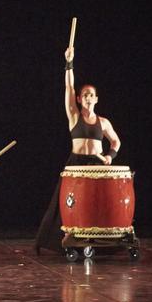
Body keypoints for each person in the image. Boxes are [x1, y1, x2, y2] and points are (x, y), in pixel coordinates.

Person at [34, 47, 121, 254]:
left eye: (92, 95)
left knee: (98, 203)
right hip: (76, 162)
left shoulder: (104, 122)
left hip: (98, 164)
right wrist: (69, 63)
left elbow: (116, 142)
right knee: (68, 202)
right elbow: (69, 86)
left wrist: (109, 156)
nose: (89, 97)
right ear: (80, 99)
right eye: (85, 95)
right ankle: (64, 240)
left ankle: (100, 244)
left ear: (96, 99)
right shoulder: (74, 116)